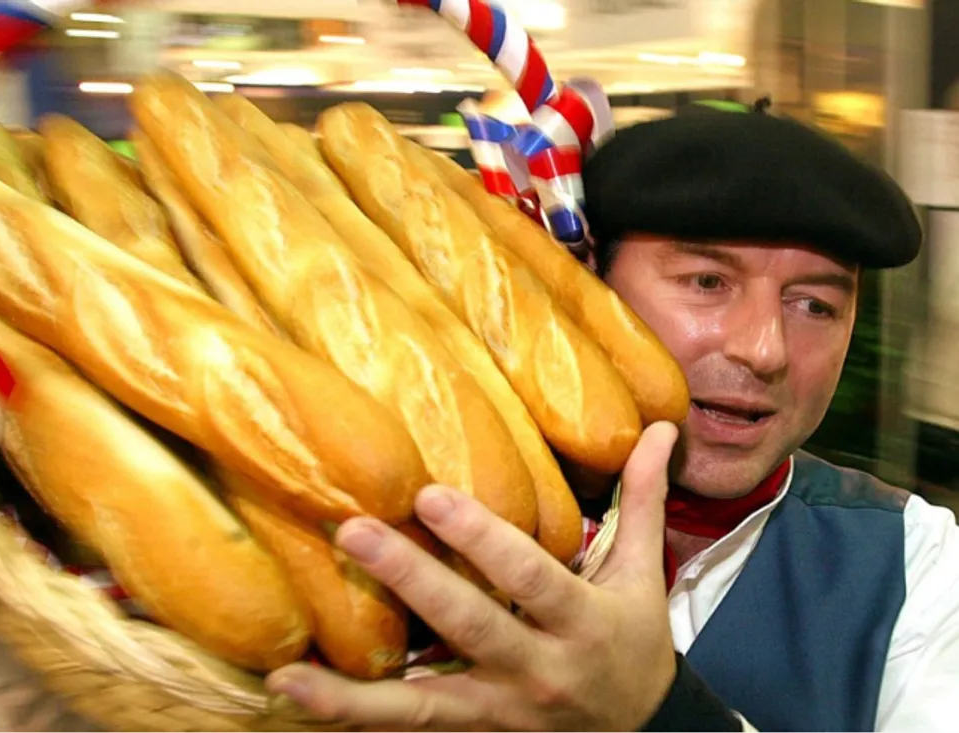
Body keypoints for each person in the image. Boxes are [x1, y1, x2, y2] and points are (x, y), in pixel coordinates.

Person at [264, 104, 959, 731]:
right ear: (591, 282)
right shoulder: (377, 519)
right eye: (708, 283)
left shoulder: (914, 560)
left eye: (815, 305)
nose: (764, 349)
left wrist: (658, 713)